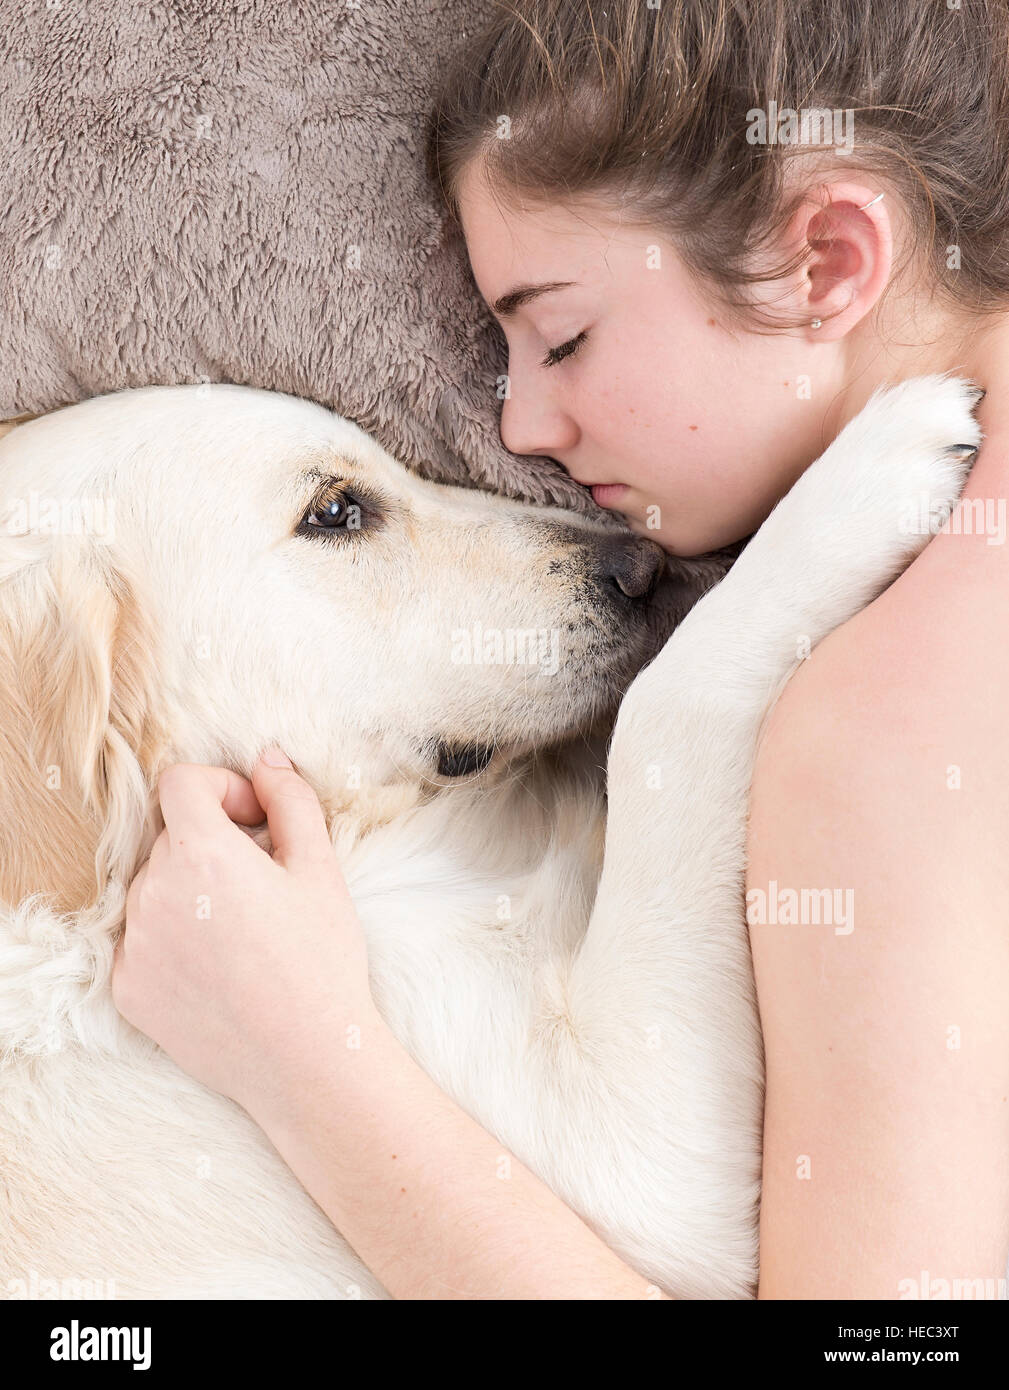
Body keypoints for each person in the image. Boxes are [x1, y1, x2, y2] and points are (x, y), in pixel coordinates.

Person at [111, 1, 1009, 1298]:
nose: (522, 425)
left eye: (564, 336)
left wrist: (301, 1059)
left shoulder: (881, 728)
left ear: (825, 261)